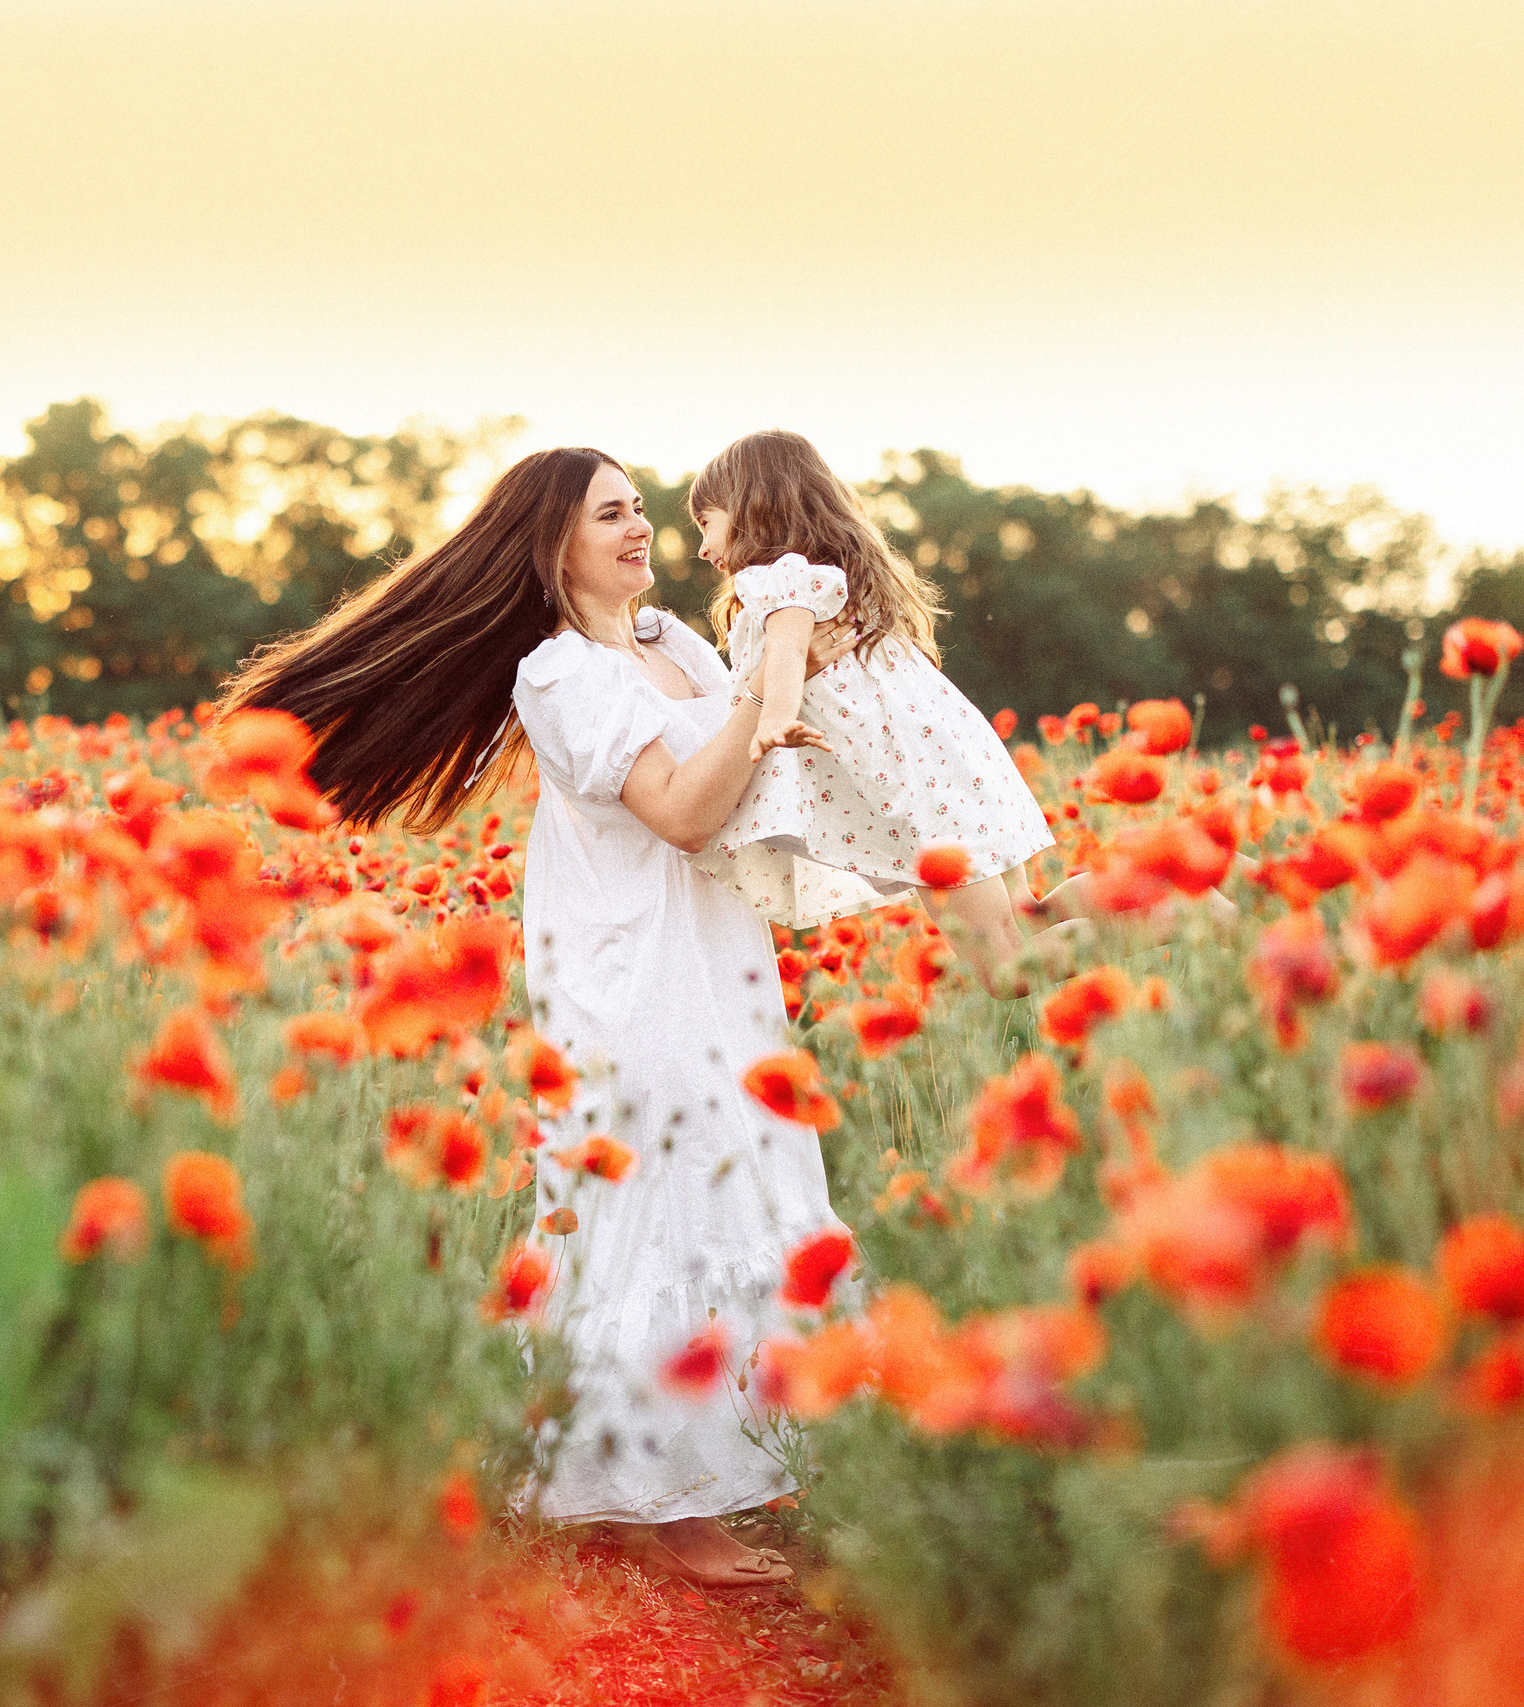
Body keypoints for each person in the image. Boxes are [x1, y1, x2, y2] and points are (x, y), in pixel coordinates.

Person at [223, 446, 860, 1589]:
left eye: (640, 510)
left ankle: (689, 1470)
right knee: (656, 1195)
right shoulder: (559, 677)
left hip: (719, 954)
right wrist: (761, 707)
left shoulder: (669, 643)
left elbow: (749, 782)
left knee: (742, 1173)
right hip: (632, 971)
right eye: (610, 514)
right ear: (552, 542)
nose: (640, 529)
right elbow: (677, 810)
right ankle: (663, 1502)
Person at [683, 430, 1072, 991]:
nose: (702, 547)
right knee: (1027, 921)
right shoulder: (833, 573)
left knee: (1007, 973)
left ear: (752, 509)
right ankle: (1166, 898)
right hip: (948, 773)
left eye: (707, 523)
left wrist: (773, 720)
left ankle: (1166, 911)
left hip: (919, 796)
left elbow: (789, 651)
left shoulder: (780, 581)